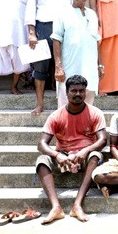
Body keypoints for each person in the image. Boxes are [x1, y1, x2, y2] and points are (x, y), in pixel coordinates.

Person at [35, 75, 106, 224]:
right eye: (74, 91)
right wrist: (57, 155)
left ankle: (77, 205)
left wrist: (85, 151)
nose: (78, 94)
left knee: (95, 155)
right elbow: (41, 144)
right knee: (42, 160)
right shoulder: (56, 115)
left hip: (85, 155)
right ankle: (56, 208)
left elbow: (102, 140)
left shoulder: (95, 113)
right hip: (63, 155)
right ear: (67, 93)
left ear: (86, 92)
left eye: (81, 91)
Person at [25, 0, 72, 115]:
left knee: (64, 66)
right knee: (40, 68)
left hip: (64, 30)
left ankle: (64, 104)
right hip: (43, 28)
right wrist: (32, 33)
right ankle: (40, 104)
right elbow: (30, 10)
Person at [51, 0, 103, 107]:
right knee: (66, 97)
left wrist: (100, 65)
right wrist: (58, 67)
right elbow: (56, 40)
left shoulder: (92, 14)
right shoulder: (62, 13)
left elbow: (96, 40)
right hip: (69, 64)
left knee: (89, 97)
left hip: (90, 66)